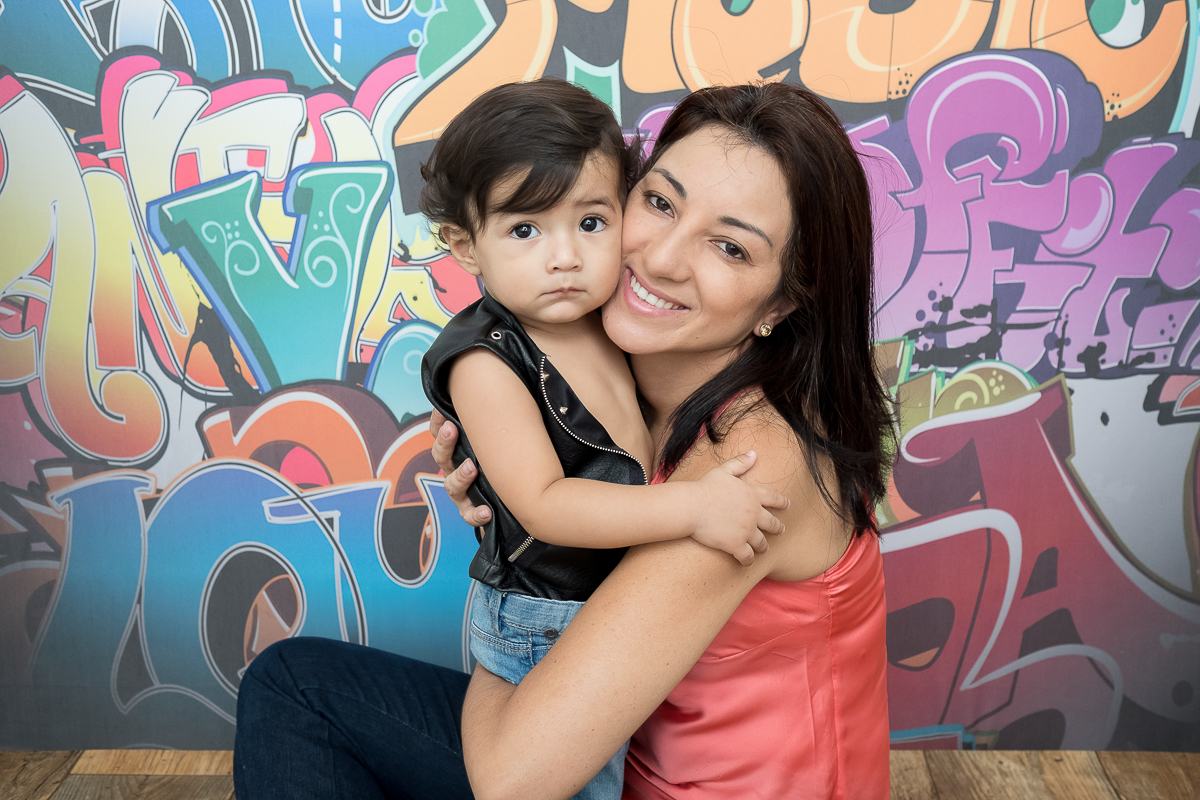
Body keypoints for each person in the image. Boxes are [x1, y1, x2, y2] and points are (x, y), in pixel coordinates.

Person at [234, 81, 894, 800]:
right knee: (295, 686)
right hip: (622, 762)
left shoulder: (750, 460)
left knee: (305, 696)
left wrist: (512, 586)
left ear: (780, 304)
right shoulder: (627, 374)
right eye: (661, 202)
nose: (664, 257)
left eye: (730, 247)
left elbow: (512, 778)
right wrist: (521, 497)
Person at [416, 79, 788, 800]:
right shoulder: (487, 362)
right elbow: (548, 506)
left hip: (598, 603)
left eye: (591, 222)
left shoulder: (609, 314)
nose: (564, 258)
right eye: (525, 231)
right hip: (543, 617)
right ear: (465, 245)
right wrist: (693, 509)